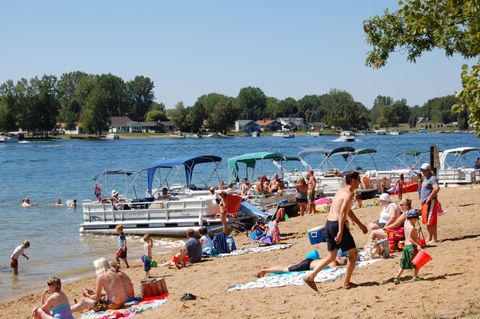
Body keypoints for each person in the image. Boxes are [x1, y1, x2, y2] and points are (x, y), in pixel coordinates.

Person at [303, 171, 368, 291]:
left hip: (328, 224)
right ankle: (347, 283)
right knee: (353, 254)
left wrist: (360, 225)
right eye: (358, 179)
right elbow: (343, 213)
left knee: (332, 255)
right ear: (353, 180)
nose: (360, 182)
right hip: (336, 225)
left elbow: (347, 211)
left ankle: (310, 277)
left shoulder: (341, 191)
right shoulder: (348, 194)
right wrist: (340, 232)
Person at [394, 210, 422, 284]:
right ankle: (415, 277)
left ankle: (397, 277)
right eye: (415, 219)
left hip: (406, 247)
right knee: (417, 262)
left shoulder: (406, 225)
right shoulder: (412, 227)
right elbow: (410, 238)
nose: (416, 221)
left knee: (404, 264)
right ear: (412, 218)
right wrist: (417, 245)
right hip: (411, 247)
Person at [420, 163, 441, 246]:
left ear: (429, 170)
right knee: (427, 221)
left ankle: (434, 239)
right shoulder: (426, 178)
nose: (423, 172)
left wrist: (429, 197)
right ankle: (429, 237)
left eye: (424, 170)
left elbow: (437, 188)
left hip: (430, 201)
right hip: (425, 202)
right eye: (422, 170)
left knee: (431, 220)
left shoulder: (432, 178)